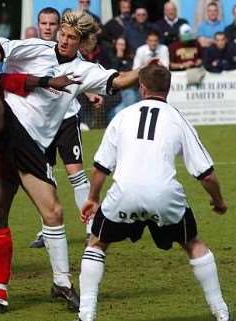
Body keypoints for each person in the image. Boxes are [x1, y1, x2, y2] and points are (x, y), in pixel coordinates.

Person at [0, 9, 141, 315]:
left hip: (31, 147)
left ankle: (61, 284)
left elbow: (117, 80)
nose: (62, 39)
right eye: (61, 32)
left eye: (70, 36)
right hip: (7, 123)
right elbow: (0, 48)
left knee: (53, 212)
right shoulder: (37, 47)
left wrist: (144, 73)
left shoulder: (86, 70)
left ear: (82, 41)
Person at [78, 63, 231, 321]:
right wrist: (219, 202)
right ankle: (222, 312)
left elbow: (100, 168)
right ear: (169, 89)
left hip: (124, 193)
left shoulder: (123, 116)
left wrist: (92, 199)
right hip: (164, 196)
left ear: (141, 88)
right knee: (193, 244)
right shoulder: (178, 118)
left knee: (97, 243)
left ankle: (86, 314)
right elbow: (206, 175)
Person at [30, 7, 99, 248]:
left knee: (76, 174)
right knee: (44, 177)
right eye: (44, 23)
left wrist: (91, 93)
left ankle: (91, 227)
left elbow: (82, 76)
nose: (48, 28)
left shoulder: (74, 54)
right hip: (42, 123)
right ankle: (46, 229)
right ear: (39, 25)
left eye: (52, 24)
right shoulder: (34, 52)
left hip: (67, 120)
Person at [107, 36, 137, 119]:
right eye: (119, 44)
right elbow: (111, 71)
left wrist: (124, 74)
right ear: (115, 45)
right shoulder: (110, 56)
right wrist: (118, 57)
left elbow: (132, 71)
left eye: (123, 45)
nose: (121, 47)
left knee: (130, 96)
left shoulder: (130, 58)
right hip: (114, 90)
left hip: (128, 87)